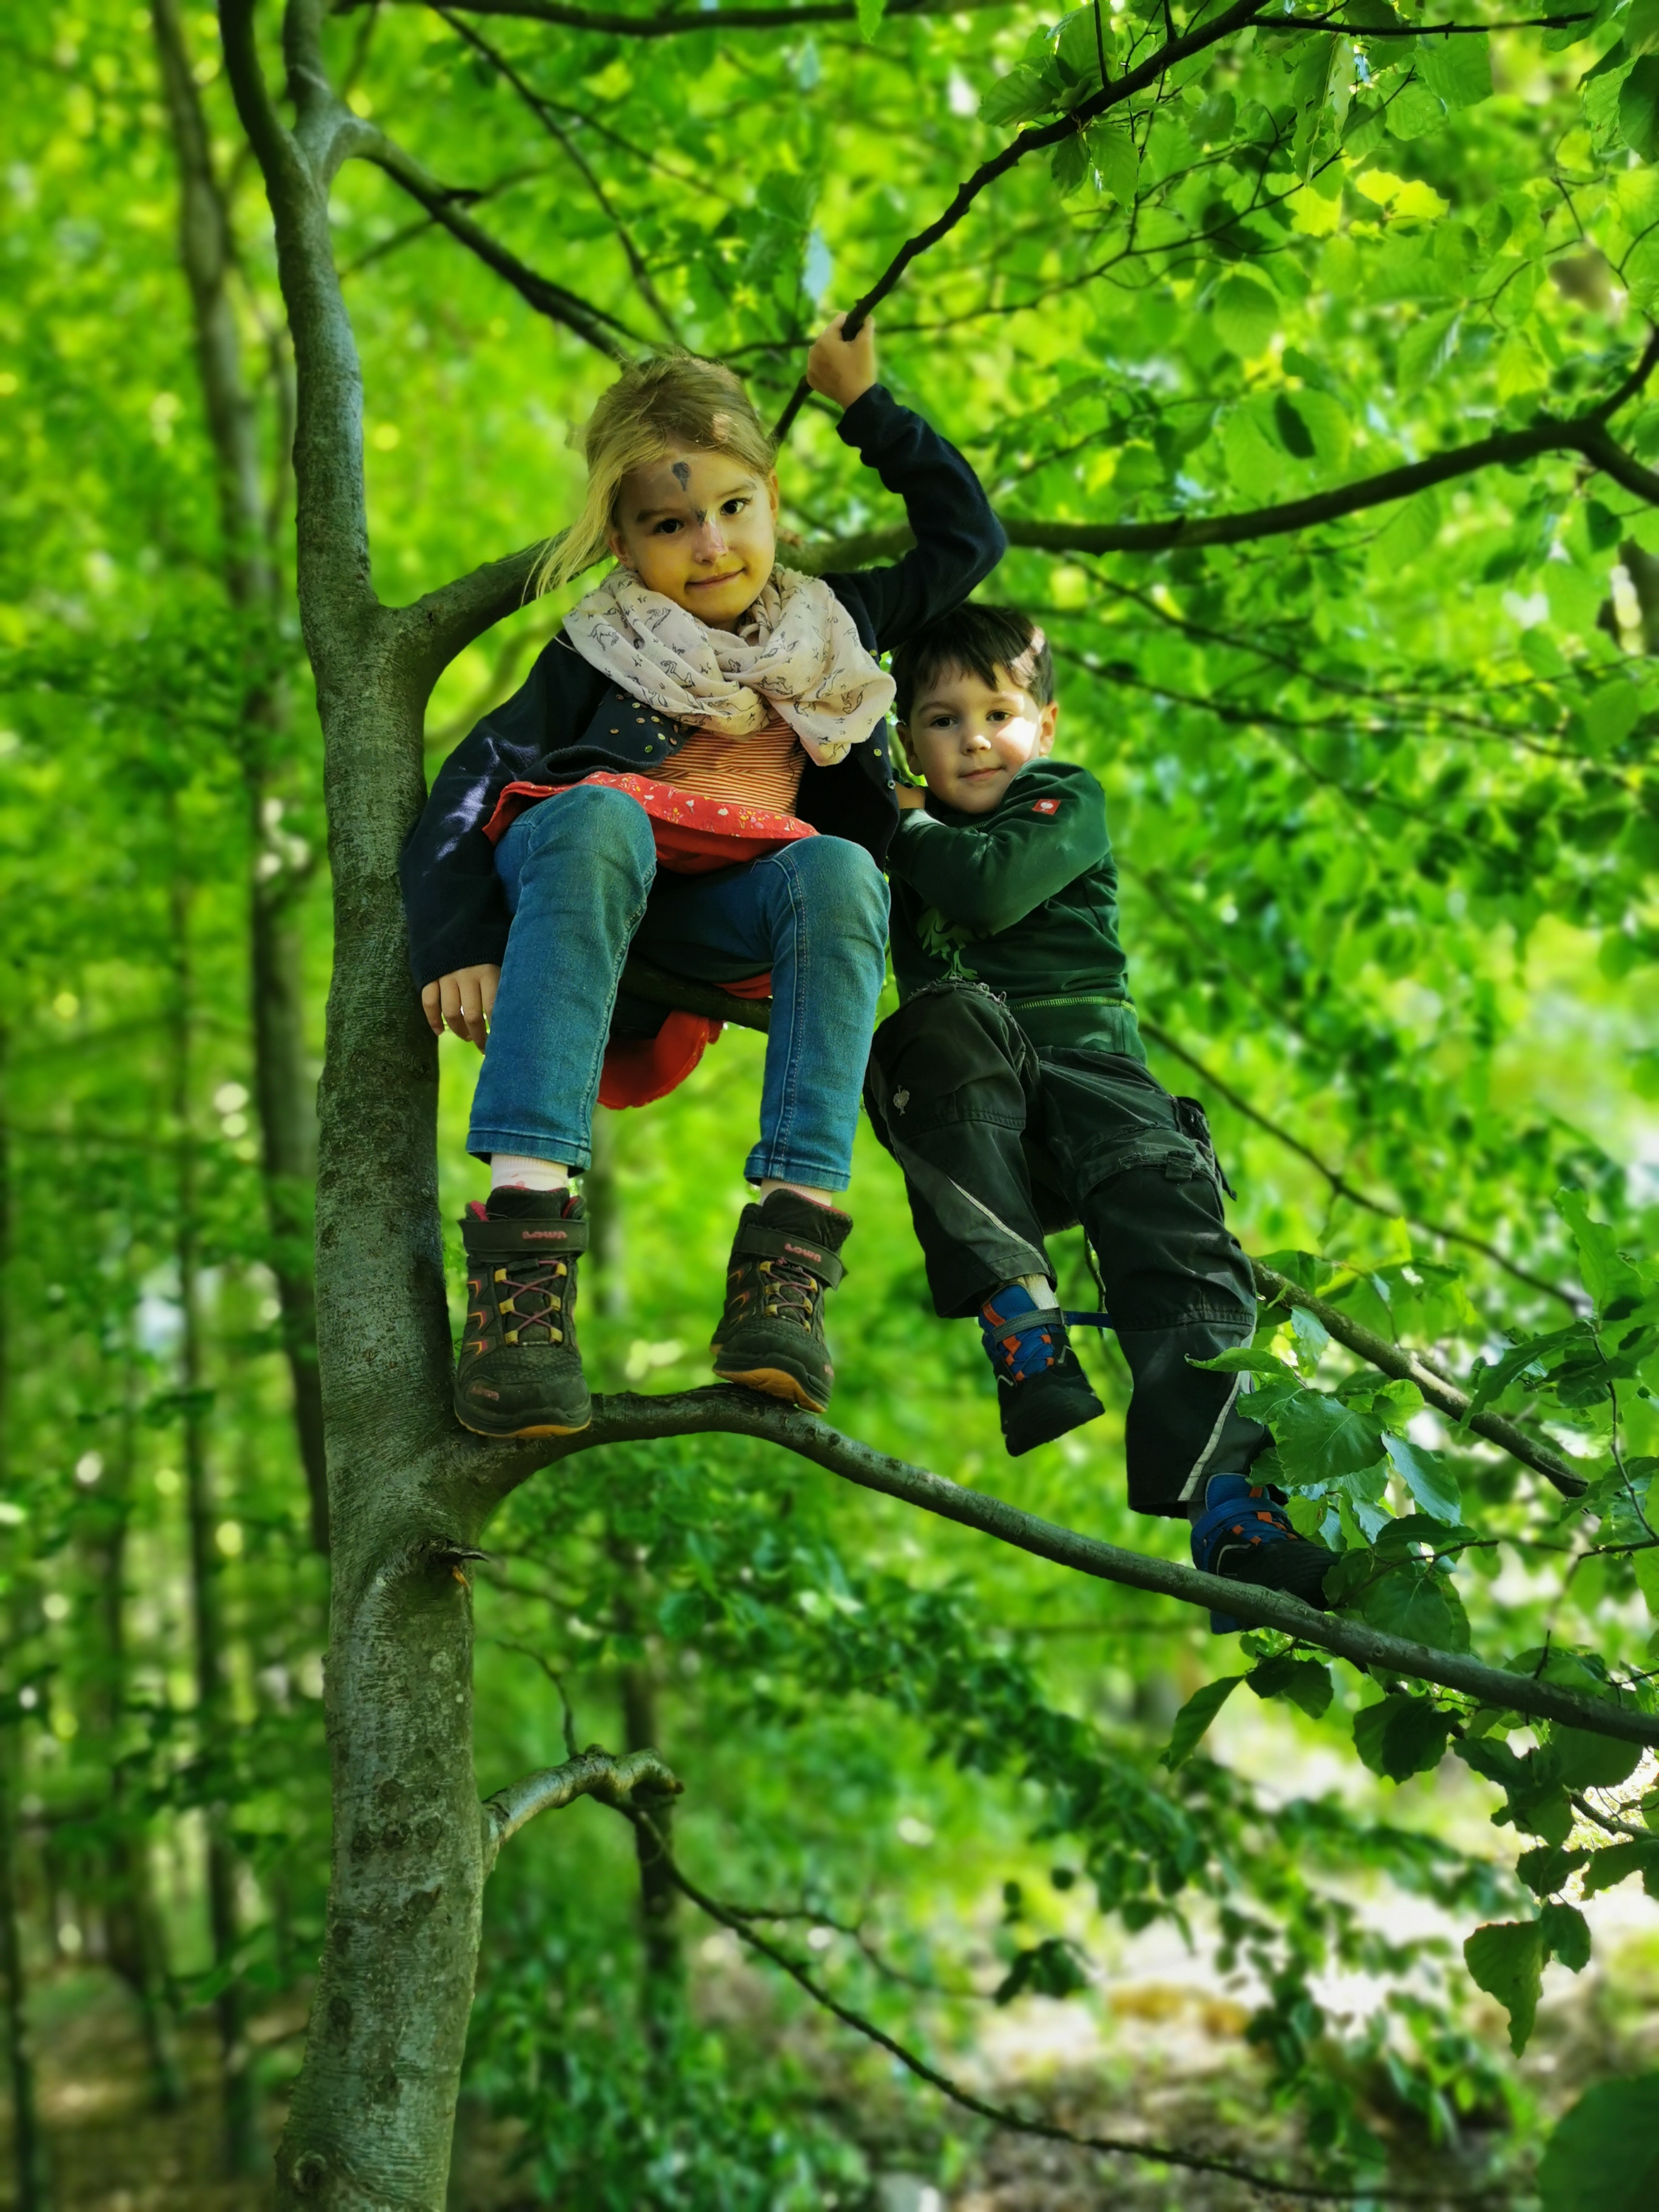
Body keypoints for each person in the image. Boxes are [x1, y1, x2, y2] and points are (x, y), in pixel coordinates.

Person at [401, 317, 1005, 1440]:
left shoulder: (832, 625)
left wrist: (865, 403)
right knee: (600, 815)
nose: (712, 543)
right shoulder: (598, 647)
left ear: (773, 501)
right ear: (624, 544)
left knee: (842, 868)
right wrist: (459, 940)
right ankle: (523, 1275)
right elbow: (470, 787)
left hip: (719, 919)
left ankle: (786, 1264)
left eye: (734, 508)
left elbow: (969, 537)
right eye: (671, 523)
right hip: (586, 881)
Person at [863, 603, 1335, 1620]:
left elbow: (989, 890)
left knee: (1171, 1218)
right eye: (942, 721)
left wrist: (900, 817)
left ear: (1045, 725)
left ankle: (1233, 1504)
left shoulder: (1061, 800)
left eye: (998, 714)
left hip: (1092, 1079)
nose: (974, 739)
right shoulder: (889, 843)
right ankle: (1023, 1326)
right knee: (936, 1023)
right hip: (976, 1121)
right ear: (905, 740)